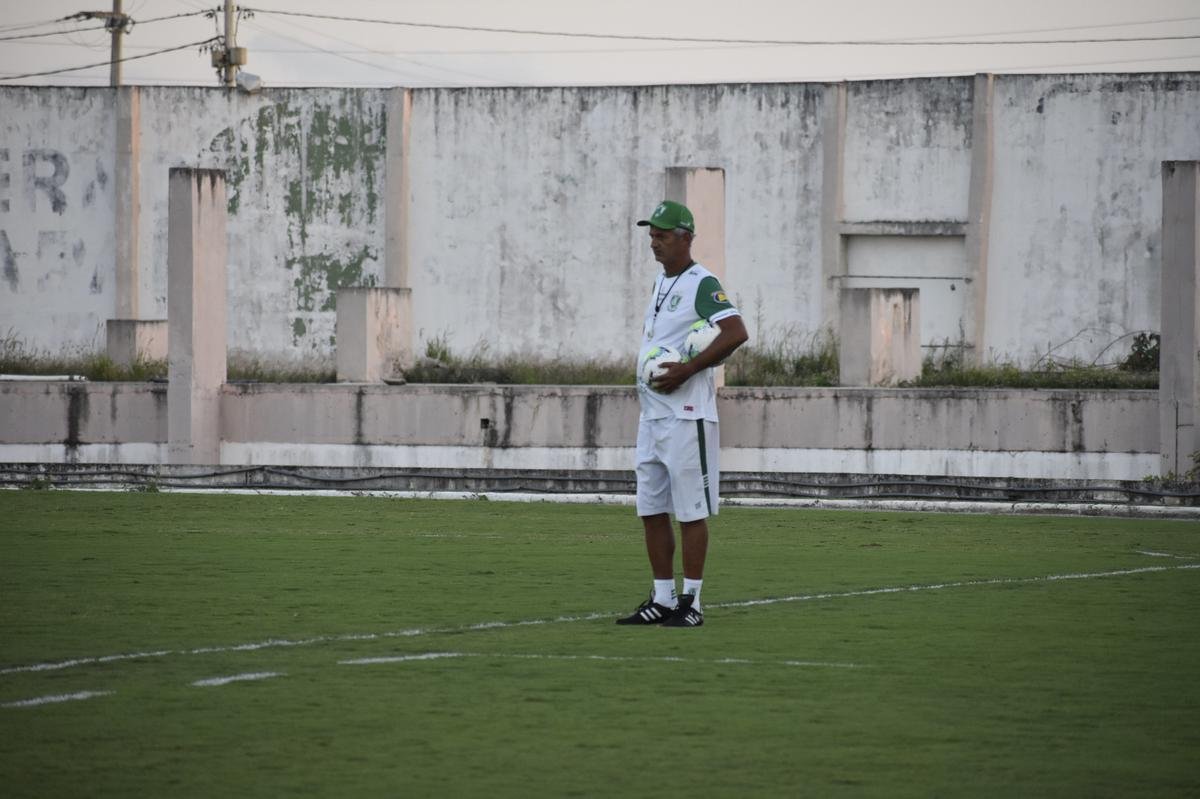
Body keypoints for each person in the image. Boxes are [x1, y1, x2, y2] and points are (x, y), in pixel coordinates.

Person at [616, 200, 749, 628]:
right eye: (651, 234)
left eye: (662, 234)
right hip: (652, 417)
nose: (654, 242)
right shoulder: (660, 282)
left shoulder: (701, 281)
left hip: (687, 416)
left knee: (690, 510)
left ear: (686, 238)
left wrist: (690, 369)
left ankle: (691, 603)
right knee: (650, 509)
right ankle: (661, 598)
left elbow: (736, 331)